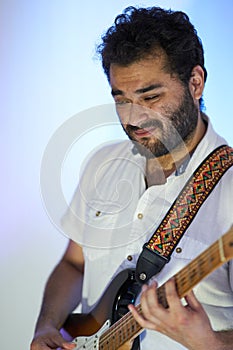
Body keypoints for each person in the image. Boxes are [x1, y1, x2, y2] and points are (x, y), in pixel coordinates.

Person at [30, 6, 233, 350]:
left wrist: (210, 342)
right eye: (121, 99)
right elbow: (73, 263)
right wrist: (46, 328)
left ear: (195, 82)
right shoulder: (101, 163)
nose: (133, 116)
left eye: (150, 97)